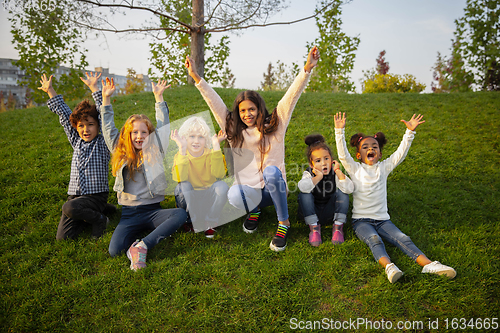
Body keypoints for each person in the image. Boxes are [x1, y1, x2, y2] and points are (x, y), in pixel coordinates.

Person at [185, 46, 320, 252]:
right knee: (233, 195)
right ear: (237, 113)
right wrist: (196, 77)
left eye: (251, 109)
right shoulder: (232, 130)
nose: (247, 114)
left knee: (271, 171)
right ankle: (254, 210)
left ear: (259, 109)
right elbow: (214, 102)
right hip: (250, 190)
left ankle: (283, 222)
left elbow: (291, 96)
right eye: (242, 111)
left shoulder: (276, 125)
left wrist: (307, 68)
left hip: (274, 188)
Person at [334, 112, 456, 283]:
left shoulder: (383, 168)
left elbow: (400, 153)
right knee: (374, 239)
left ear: (380, 154)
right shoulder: (354, 168)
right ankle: (389, 267)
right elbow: (342, 156)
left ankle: (428, 265)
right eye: (366, 147)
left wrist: (409, 132)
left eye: (375, 147)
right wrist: (339, 132)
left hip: (383, 220)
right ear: (358, 155)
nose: (371, 149)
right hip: (361, 221)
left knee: (403, 238)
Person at [100, 77, 187, 271]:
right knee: (115, 250)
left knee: (180, 215)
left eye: (144, 132)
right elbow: (107, 128)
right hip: (129, 214)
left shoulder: (156, 149)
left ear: (150, 135)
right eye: (134, 133)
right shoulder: (119, 151)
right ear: (127, 136)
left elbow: (163, 126)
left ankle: (142, 245)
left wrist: (159, 97)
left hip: (153, 211)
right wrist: (106, 100)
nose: (139, 136)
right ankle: (142, 239)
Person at [39, 72, 114, 240]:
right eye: (81, 126)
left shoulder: (102, 143)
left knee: (69, 208)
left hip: (96, 196)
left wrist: (95, 88)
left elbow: (103, 115)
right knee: (64, 238)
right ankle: (100, 211)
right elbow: (65, 116)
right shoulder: (76, 140)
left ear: (98, 126)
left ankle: (101, 218)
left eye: (90, 125)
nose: (85, 130)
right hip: (76, 196)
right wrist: (50, 90)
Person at [170, 116, 229, 238]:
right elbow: (179, 178)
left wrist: (216, 146)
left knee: (222, 186)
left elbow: (219, 174)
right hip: (191, 201)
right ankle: (190, 221)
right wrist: (182, 149)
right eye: (192, 136)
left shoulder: (211, 154)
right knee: (182, 187)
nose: (196, 141)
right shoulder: (180, 155)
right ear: (184, 138)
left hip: (208, 199)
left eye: (201, 137)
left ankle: (211, 221)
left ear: (206, 139)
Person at [297, 134, 353, 247]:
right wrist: (318, 177)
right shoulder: (309, 173)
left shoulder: (334, 172)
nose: (323, 163)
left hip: (329, 213)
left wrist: (337, 171)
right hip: (312, 212)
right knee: (304, 194)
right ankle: (314, 229)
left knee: (343, 193)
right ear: (311, 164)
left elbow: (349, 189)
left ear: (332, 160)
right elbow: (302, 187)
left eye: (326, 158)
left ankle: (338, 228)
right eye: (318, 160)